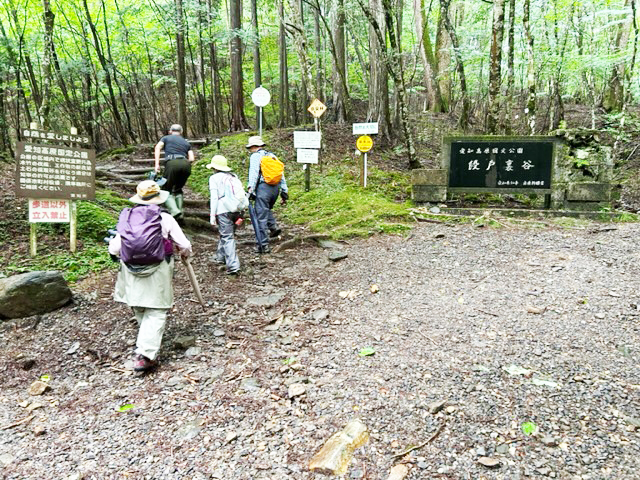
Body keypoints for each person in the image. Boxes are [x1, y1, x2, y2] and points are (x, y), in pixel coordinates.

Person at [109, 180, 193, 372]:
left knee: (139, 305)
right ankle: (145, 355)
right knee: (156, 310)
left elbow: (114, 248)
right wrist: (185, 254)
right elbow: (184, 244)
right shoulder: (165, 218)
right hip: (158, 268)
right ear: (158, 199)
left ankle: (146, 343)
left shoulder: (128, 217)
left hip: (131, 268)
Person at [246, 135, 288, 253]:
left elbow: (254, 174)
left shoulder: (255, 156)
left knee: (260, 217)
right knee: (265, 209)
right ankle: (273, 227)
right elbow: (281, 174)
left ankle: (263, 245)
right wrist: (284, 191)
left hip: (263, 189)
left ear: (253, 147)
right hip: (275, 189)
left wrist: (250, 190)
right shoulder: (272, 156)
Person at [207, 155, 247, 275]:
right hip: (237, 210)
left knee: (227, 237)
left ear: (214, 167)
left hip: (223, 211)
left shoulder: (214, 178)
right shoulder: (233, 176)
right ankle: (220, 257)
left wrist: (212, 215)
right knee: (227, 234)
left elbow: (214, 197)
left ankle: (234, 266)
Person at [154, 124, 195, 224]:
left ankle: (174, 211)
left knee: (165, 189)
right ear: (181, 132)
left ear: (170, 131)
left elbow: (158, 147)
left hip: (172, 163)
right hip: (186, 164)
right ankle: (180, 213)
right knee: (178, 189)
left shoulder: (166, 138)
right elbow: (191, 158)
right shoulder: (186, 142)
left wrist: (157, 164)